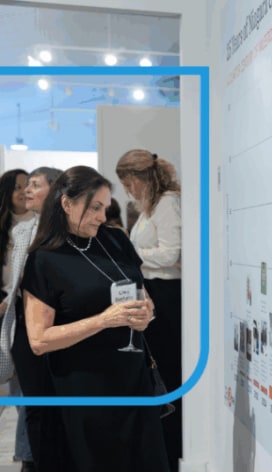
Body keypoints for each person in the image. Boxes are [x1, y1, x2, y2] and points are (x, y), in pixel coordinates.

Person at [21, 166, 168, 471]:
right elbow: (38, 341)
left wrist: (146, 314)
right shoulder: (44, 260)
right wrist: (103, 320)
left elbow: (142, 294)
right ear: (67, 204)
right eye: (95, 208)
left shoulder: (115, 241)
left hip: (133, 380)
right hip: (83, 390)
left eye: (105, 207)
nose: (102, 216)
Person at [116, 149, 183, 472]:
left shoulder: (167, 203)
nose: (127, 190)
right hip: (155, 291)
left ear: (137, 178)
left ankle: (172, 448)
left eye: (127, 183)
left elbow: (171, 254)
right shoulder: (150, 207)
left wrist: (131, 253)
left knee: (167, 371)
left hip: (168, 295)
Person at [6, 167, 63, 472]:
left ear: (54, 190)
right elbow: (16, 283)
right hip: (25, 325)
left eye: (35, 185)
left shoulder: (69, 231)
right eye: (25, 185)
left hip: (60, 325)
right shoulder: (20, 231)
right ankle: (35, 462)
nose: (27, 190)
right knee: (33, 403)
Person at [0, 169, 35, 471]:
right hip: (3, 312)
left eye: (30, 186)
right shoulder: (4, 229)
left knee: (23, 389)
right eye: (19, 187)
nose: (24, 192)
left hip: (24, 313)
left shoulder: (39, 225)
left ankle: (26, 455)